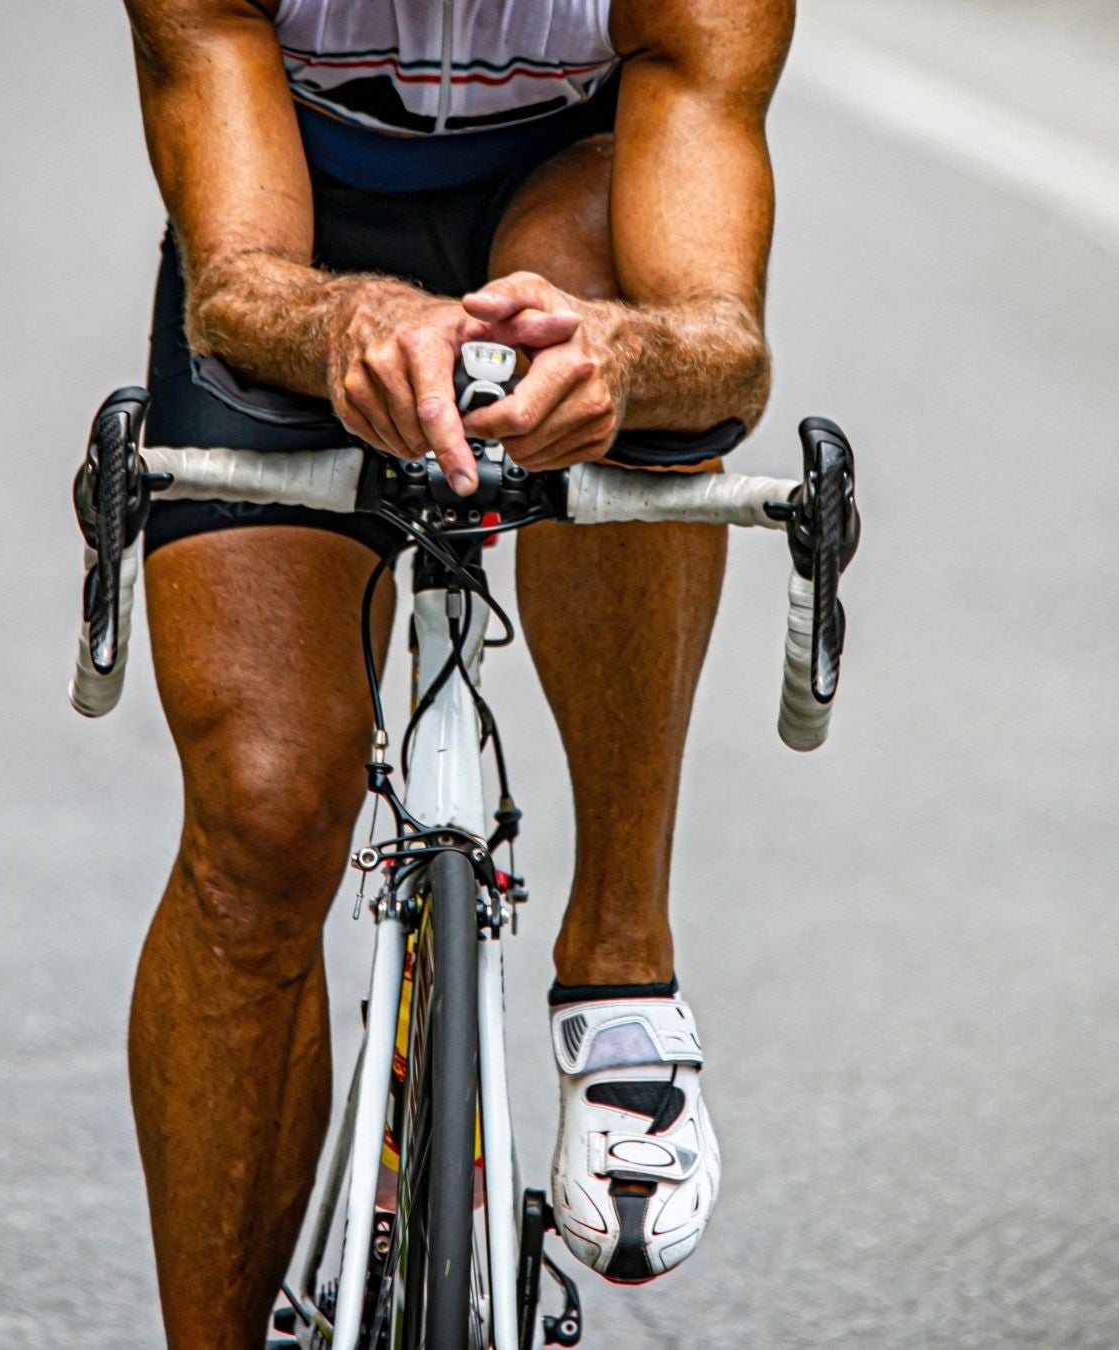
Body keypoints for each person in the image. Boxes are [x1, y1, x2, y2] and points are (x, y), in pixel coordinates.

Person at [118, 0, 792, 1341]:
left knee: (607, 309)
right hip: (301, 220)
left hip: (580, 196)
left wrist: (629, 358)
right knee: (262, 811)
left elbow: (723, 337)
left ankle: (620, 957)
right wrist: (347, 322)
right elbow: (242, 273)